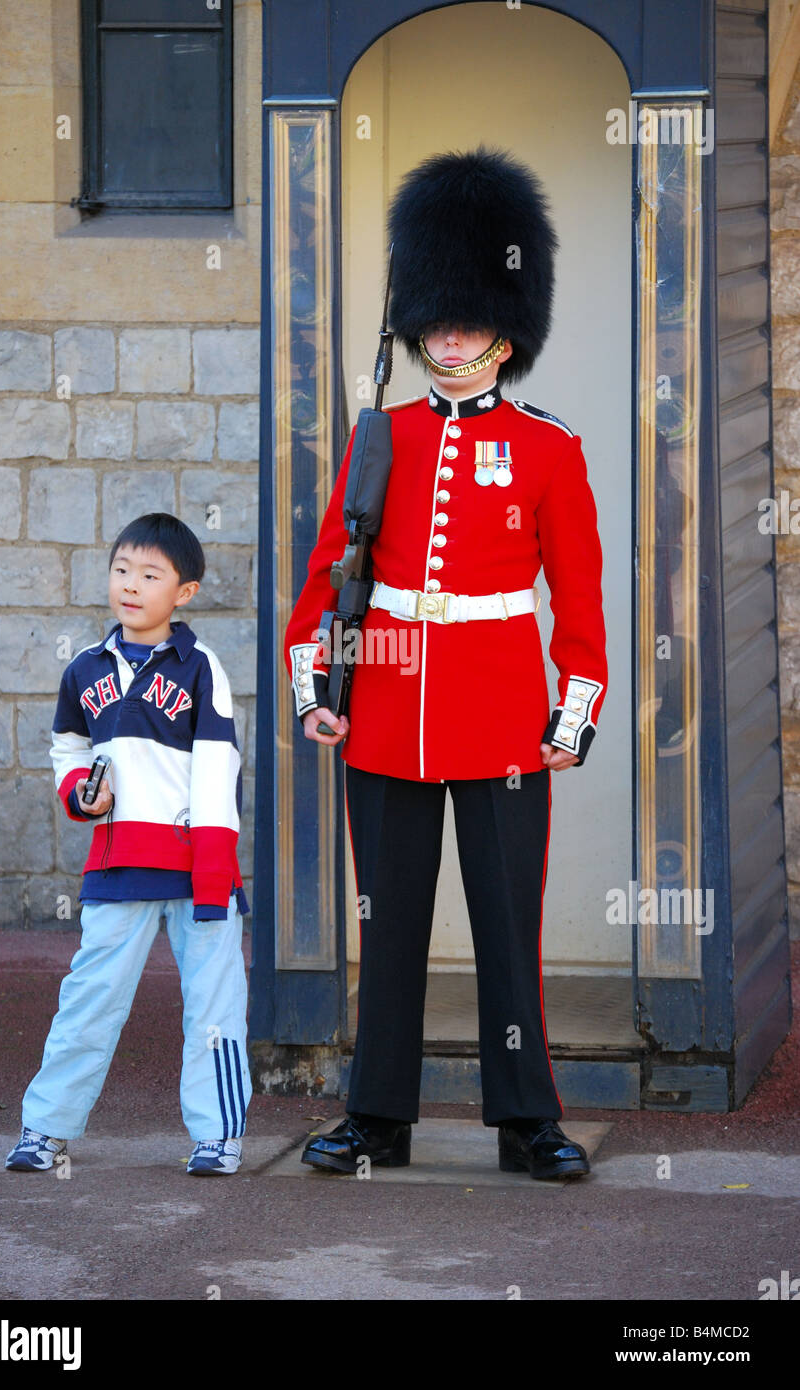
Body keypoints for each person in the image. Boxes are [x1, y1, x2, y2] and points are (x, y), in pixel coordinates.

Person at [283, 148, 608, 1179]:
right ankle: (378, 1116)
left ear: (506, 329)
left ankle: (527, 1122)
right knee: (391, 929)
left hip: (504, 711)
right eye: (437, 319)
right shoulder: (380, 436)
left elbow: (580, 596)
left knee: (510, 929)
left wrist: (574, 708)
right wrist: (317, 685)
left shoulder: (550, 448)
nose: (451, 336)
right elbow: (334, 567)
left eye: (468, 320)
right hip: (384, 708)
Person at [5, 513, 251, 1177]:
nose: (131, 586)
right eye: (121, 570)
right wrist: (81, 790)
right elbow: (69, 749)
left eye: (150, 575)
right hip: (116, 868)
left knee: (213, 1008)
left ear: (186, 593)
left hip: (199, 871)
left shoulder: (202, 671)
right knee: (88, 1002)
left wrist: (214, 878)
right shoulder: (84, 670)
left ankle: (218, 1134)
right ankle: (45, 1128)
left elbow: (218, 771)